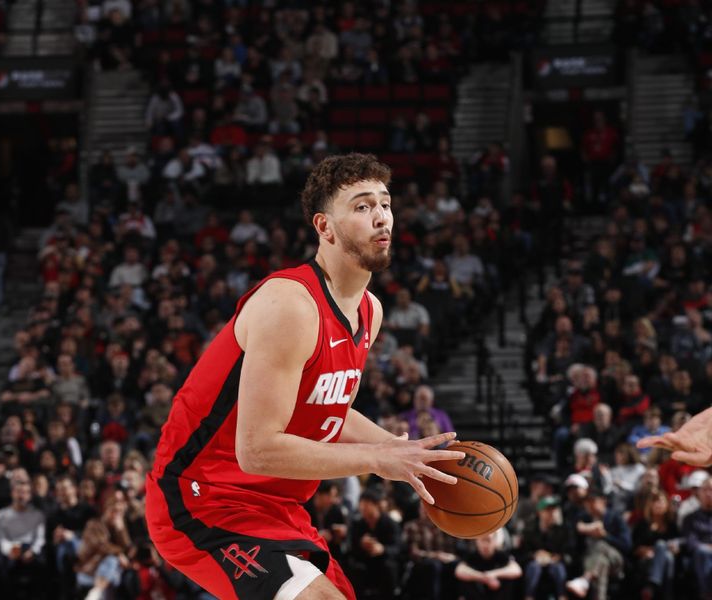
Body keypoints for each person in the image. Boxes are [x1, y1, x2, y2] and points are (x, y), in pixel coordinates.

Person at [145, 154, 465, 600]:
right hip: (201, 499)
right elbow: (256, 450)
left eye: (385, 204)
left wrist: (401, 450)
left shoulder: (369, 311)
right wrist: (376, 459)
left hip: (278, 506)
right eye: (362, 206)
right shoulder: (291, 306)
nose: (381, 218)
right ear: (324, 227)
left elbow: (329, 408)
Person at [455, 529, 522, 600]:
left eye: (488, 540)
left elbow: (517, 570)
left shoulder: (501, 555)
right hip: (477, 594)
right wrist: (483, 578)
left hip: (498, 594)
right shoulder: (472, 555)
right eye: (482, 540)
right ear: (477, 541)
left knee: (509, 579)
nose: (485, 545)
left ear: (494, 541)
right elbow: (459, 571)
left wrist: (493, 574)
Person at [637, 405, 712, 466]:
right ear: (672, 426)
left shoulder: (703, 441)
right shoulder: (664, 441)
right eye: (679, 423)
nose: (682, 426)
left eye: (685, 423)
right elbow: (651, 461)